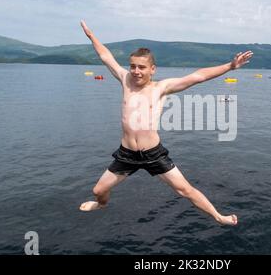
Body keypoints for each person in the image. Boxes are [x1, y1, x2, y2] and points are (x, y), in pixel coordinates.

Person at [79, 21, 253, 226]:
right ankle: (101, 204)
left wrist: (230, 66)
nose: (136, 71)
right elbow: (106, 56)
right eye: (133, 66)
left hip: (153, 153)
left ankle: (218, 216)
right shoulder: (125, 79)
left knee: (184, 190)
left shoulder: (161, 88)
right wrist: (92, 36)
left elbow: (197, 76)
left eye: (141, 67)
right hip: (126, 154)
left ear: (152, 69)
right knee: (98, 191)